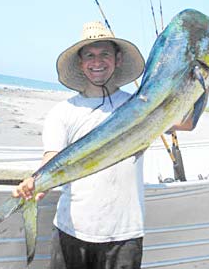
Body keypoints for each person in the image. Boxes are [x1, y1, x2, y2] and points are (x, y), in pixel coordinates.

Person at [13, 21, 146, 269]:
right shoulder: (62, 112)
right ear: (81, 63)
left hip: (125, 234)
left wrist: (205, 74)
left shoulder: (140, 108)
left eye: (104, 53)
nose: (97, 62)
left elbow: (186, 122)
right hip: (71, 231)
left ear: (117, 59)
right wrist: (36, 183)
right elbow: (52, 157)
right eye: (90, 55)